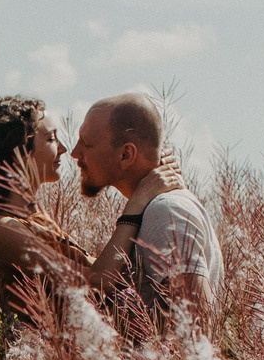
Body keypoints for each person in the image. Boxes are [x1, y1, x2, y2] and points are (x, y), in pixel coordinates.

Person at [70, 92, 224, 329]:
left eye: (87, 144)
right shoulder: (151, 210)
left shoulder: (167, 211)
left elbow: (198, 326)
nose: (75, 152)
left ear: (126, 154)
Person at [0, 96, 90, 325]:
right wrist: (135, 208)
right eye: (51, 139)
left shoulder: (36, 219)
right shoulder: (1, 229)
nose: (64, 149)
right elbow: (92, 279)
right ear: (19, 154)